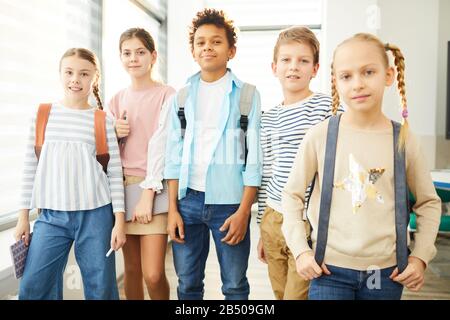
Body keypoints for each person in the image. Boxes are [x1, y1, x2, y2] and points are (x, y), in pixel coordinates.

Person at [281, 33, 441, 300]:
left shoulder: (403, 139)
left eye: (368, 72)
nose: (358, 84)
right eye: (346, 76)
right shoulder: (320, 136)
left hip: (384, 273)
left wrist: (421, 257)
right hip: (328, 271)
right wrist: (301, 250)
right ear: (336, 81)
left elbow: (428, 202)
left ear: (388, 75)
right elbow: (291, 195)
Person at [164, 8, 262, 300]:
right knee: (188, 284)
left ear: (231, 50)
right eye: (201, 42)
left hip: (230, 204)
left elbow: (254, 159)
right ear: (193, 51)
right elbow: (173, 157)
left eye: (216, 41)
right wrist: (172, 210)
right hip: (187, 202)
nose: (208, 46)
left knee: (234, 285)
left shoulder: (247, 95)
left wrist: (244, 212)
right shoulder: (181, 98)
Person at [15, 48, 126, 300]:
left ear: (94, 78)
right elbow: (29, 167)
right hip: (51, 216)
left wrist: (119, 221)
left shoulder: (102, 120)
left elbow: (115, 174)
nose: (75, 79)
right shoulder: (42, 114)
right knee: (33, 286)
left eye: (84, 73)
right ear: (60, 74)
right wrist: (23, 216)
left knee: (101, 287)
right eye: (69, 72)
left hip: (96, 215)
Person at [256, 26, 343, 300]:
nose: (294, 67)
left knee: (298, 295)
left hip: (306, 221)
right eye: (286, 60)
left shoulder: (327, 108)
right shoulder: (267, 118)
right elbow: (266, 173)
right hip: (272, 218)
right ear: (274, 67)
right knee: (280, 294)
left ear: (315, 68)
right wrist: (261, 227)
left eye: (303, 61)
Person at [108, 28, 175, 300]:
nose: (133, 58)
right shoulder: (116, 99)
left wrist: (148, 195)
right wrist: (113, 133)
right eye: (127, 53)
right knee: (132, 270)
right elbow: (104, 152)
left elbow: (166, 148)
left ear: (153, 56)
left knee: (153, 274)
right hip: (122, 189)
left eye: (140, 52)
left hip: (154, 188)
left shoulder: (167, 95)